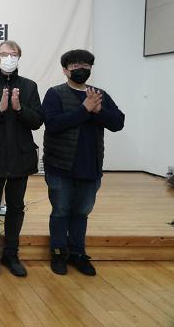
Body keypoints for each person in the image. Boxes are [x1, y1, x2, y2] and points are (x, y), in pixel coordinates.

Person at [42, 49, 124, 276]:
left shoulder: (100, 95)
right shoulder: (55, 93)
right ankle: (58, 253)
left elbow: (118, 122)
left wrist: (98, 111)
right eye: (76, 66)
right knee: (60, 211)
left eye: (86, 66)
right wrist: (84, 109)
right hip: (60, 166)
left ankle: (77, 254)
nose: (81, 69)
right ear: (65, 70)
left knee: (81, 213)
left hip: (90, 167)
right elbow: (53, 124)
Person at [0, 40, 43, 277]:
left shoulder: (29, 86)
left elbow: (37, 121)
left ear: (19, 58)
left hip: (20, 158)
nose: (9, 58)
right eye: (4, 54)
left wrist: (19, 108)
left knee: (16, 207)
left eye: (13, 54)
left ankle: (11, 255)